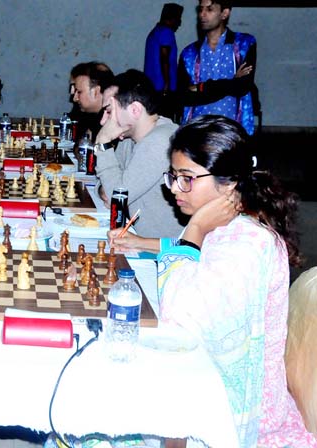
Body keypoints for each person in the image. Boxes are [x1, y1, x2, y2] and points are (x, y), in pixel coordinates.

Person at [155, 115, 315, 446]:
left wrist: (194, 230)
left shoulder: (247, 242)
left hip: (236, 412)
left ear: (228, 184)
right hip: (213, 382)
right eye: (173, 176)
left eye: (186, 178)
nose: (174, 188)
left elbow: (182, 317)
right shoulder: (229, 224)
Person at [93, 69, 184, 239]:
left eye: (109, 111)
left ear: (135, 110)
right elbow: (107, 184)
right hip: (136, 238)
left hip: (162, 254)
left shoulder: (161, 140)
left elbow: (116, 196)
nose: (103, 121)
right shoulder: (129, 138)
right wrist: (108, 190)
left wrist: (103, 142)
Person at [177, 0, 257, 135]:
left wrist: (199, 87)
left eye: (209, 9)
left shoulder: (244, 44)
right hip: (198, 131)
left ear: (224, 13)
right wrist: (232, 82)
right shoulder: (189, 54)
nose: (202, 14)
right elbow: (184, 96)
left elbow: (242, 87)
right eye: (200, 9)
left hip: (232, 131)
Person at [143, 3, 183, 119]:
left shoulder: (155, 31)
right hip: (163, 88)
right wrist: (167, 84)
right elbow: (164, 59)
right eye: (178, 20)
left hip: (153, 87)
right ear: (172, 19)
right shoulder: (166, 32)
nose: (179, 24)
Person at [68, 61, 114, 141]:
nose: (75, 98)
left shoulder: (113, 118)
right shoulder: (88, 116)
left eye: (79, 92)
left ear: (96, 91)